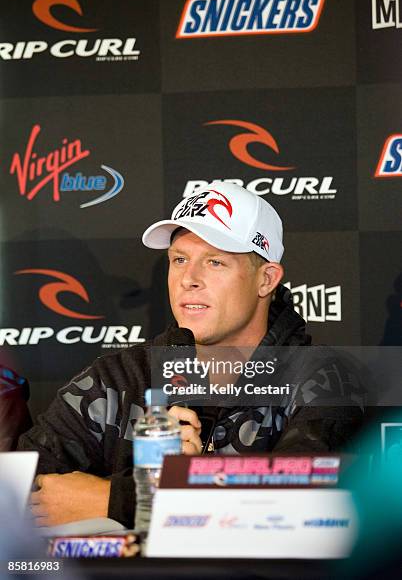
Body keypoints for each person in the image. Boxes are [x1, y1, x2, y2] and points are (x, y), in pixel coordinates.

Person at [18, 182, 365, 528]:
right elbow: (18, 489)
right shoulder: (119, 379)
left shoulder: (321, 379)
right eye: (179, 259)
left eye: (215, 262)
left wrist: (122, 499)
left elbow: (303, 506)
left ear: (266, 279)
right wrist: (147, 477)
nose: (189, 279)